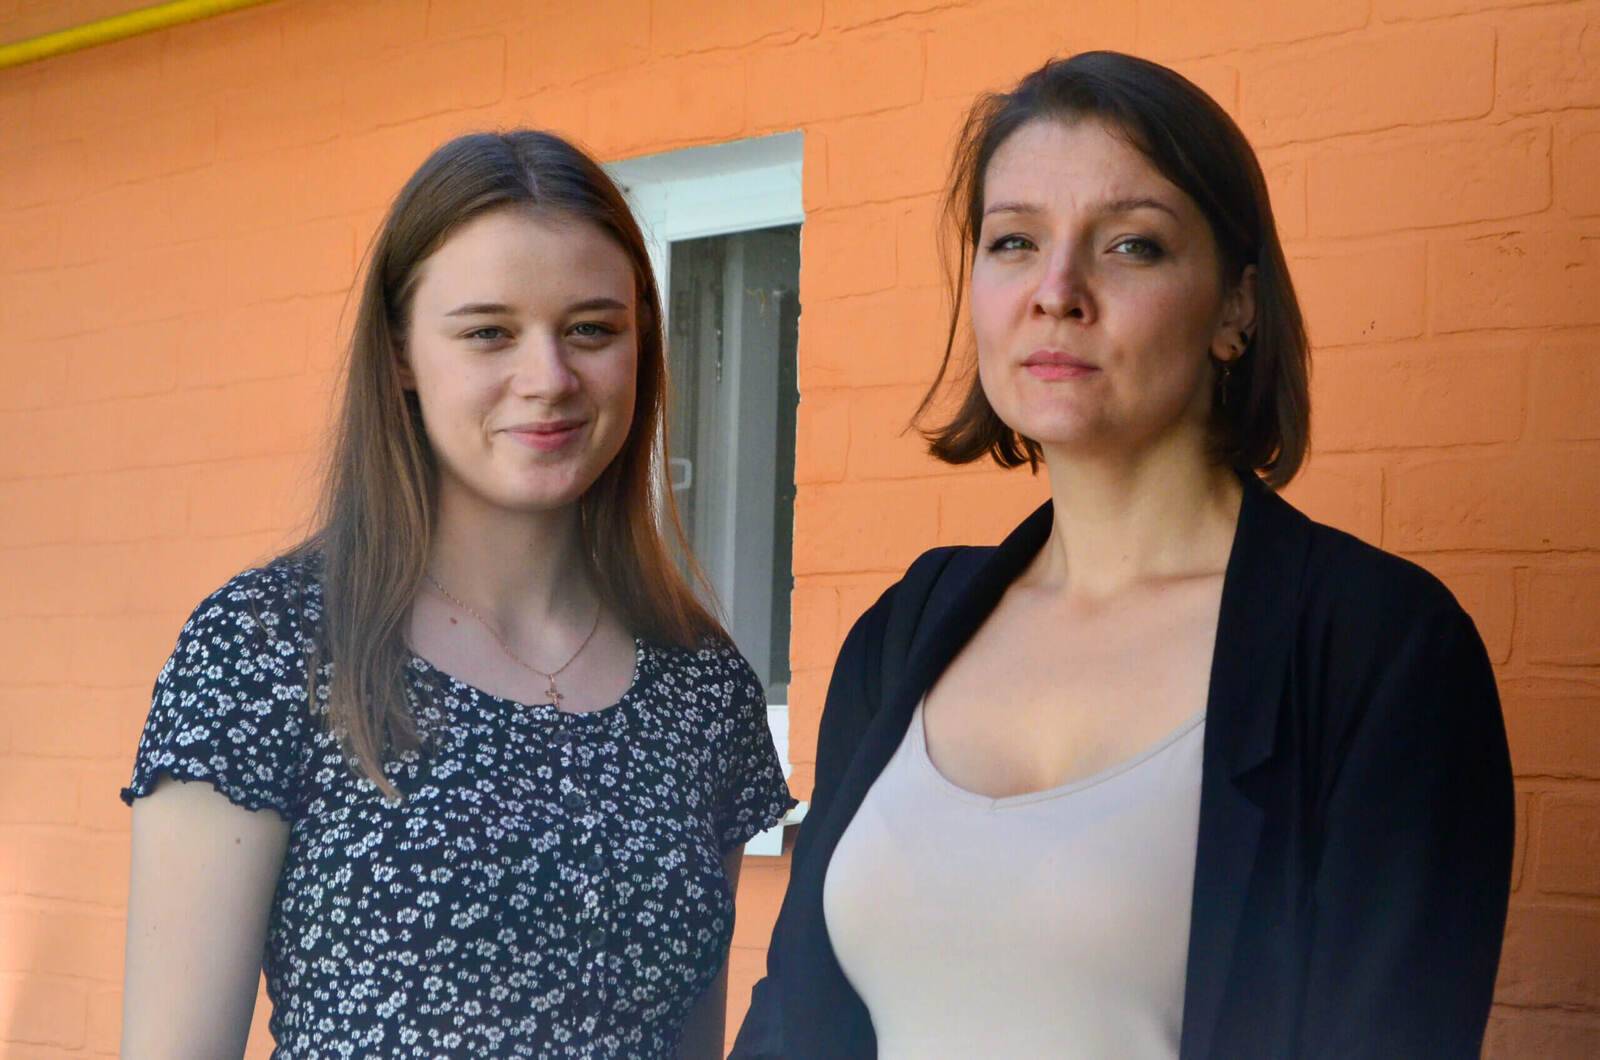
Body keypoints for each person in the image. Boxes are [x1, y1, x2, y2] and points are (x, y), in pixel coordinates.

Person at [733, 51, 1513, 1059]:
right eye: (1014, 241)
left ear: (1235, 307)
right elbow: (795, 1019)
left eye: (1132, 246)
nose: (1056, 291)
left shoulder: (1378, 651)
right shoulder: (908, 630)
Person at [120, 130, 795, 1059]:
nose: (548, 379)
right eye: (488, 333)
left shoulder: (700, 687)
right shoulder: (269, 648)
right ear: (401, 353)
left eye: (591, 330)